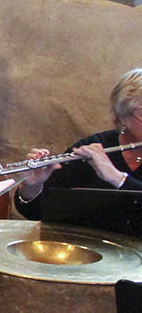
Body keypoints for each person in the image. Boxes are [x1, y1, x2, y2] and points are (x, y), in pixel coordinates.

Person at [12, 68, 142, 218]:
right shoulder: (94, 148)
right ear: (123, 116)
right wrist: (33, 188)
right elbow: (39, 213)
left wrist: (118, 179)